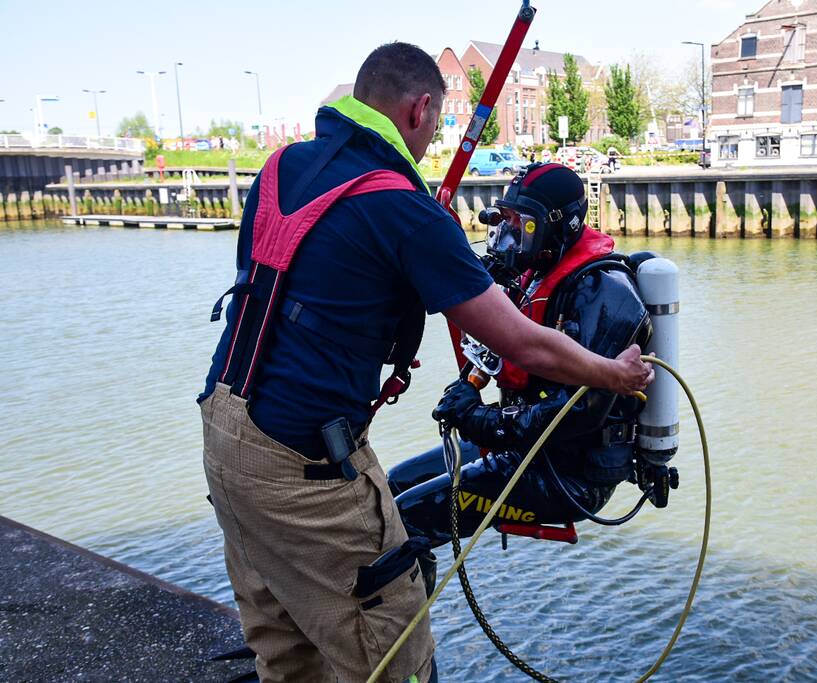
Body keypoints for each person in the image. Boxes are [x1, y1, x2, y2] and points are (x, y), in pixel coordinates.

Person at [198, 44, 653, 683]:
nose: (434, 138)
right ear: (419, 109)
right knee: (395, 650)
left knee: (289, 654)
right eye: (437, 124)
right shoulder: (402, 207)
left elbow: (312, 286)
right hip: (300, 460)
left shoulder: (280, 169)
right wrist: (618, 375)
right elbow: (521, 343)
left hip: (225, 429)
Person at [389, 163, 652, 558]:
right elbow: (495, 352)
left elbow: (575, 412)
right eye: (505, 221)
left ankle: (395, 619)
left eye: (522, 225)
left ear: (558, 225)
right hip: (523, 447)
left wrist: (480, 421)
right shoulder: (534, 278)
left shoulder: (602, 293)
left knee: (408, 517)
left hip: (571, 474)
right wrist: (469, 390)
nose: (510, 236)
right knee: (393, 486)